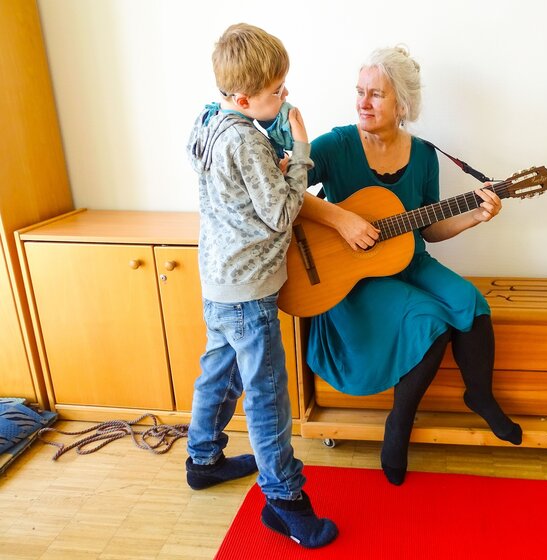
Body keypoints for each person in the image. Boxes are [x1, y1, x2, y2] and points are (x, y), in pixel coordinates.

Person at [299, 46, 523, 486]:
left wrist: (475, 216)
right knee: (429, 319)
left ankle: (480, 395)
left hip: (408, 259)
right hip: (352, 273)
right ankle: (398, 424)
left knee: (470, 302)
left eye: (375, 95)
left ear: (402, 104)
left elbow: (429, 228)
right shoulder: (335, 145)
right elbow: (283, 190)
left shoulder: (423, 155)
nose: (363, 102)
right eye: (360, 92)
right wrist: (342, 219)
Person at [185, 23, 337, 548]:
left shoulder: (208, 121)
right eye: (277, 91)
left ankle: (202, 458)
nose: (286, 95)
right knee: (268, 394)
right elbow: (281, 214)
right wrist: (300, 152)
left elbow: (232, 189)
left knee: (218, 370)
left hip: (218, 280)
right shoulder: (249, 139)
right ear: (245, 98)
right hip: (251, 289)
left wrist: (271, 170)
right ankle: (285, 500)